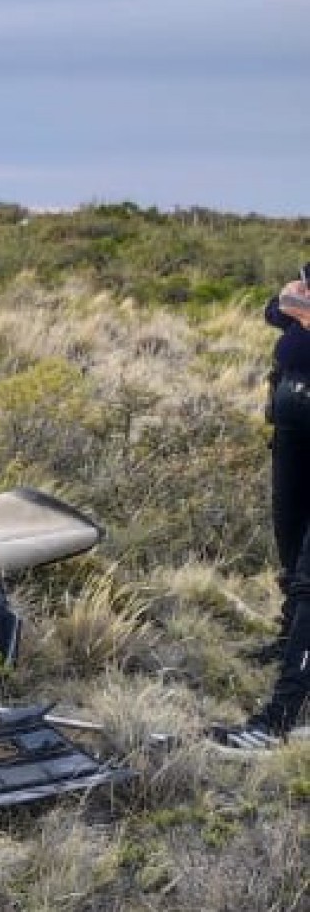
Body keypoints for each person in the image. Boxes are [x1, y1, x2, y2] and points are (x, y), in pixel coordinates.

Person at [212, 267, 310, 751]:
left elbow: (295, 309)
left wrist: (299, 309)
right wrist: (296, 308)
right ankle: (291, 639)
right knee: (290, 540)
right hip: (294, 428)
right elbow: (279, 308)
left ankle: (282, 718)